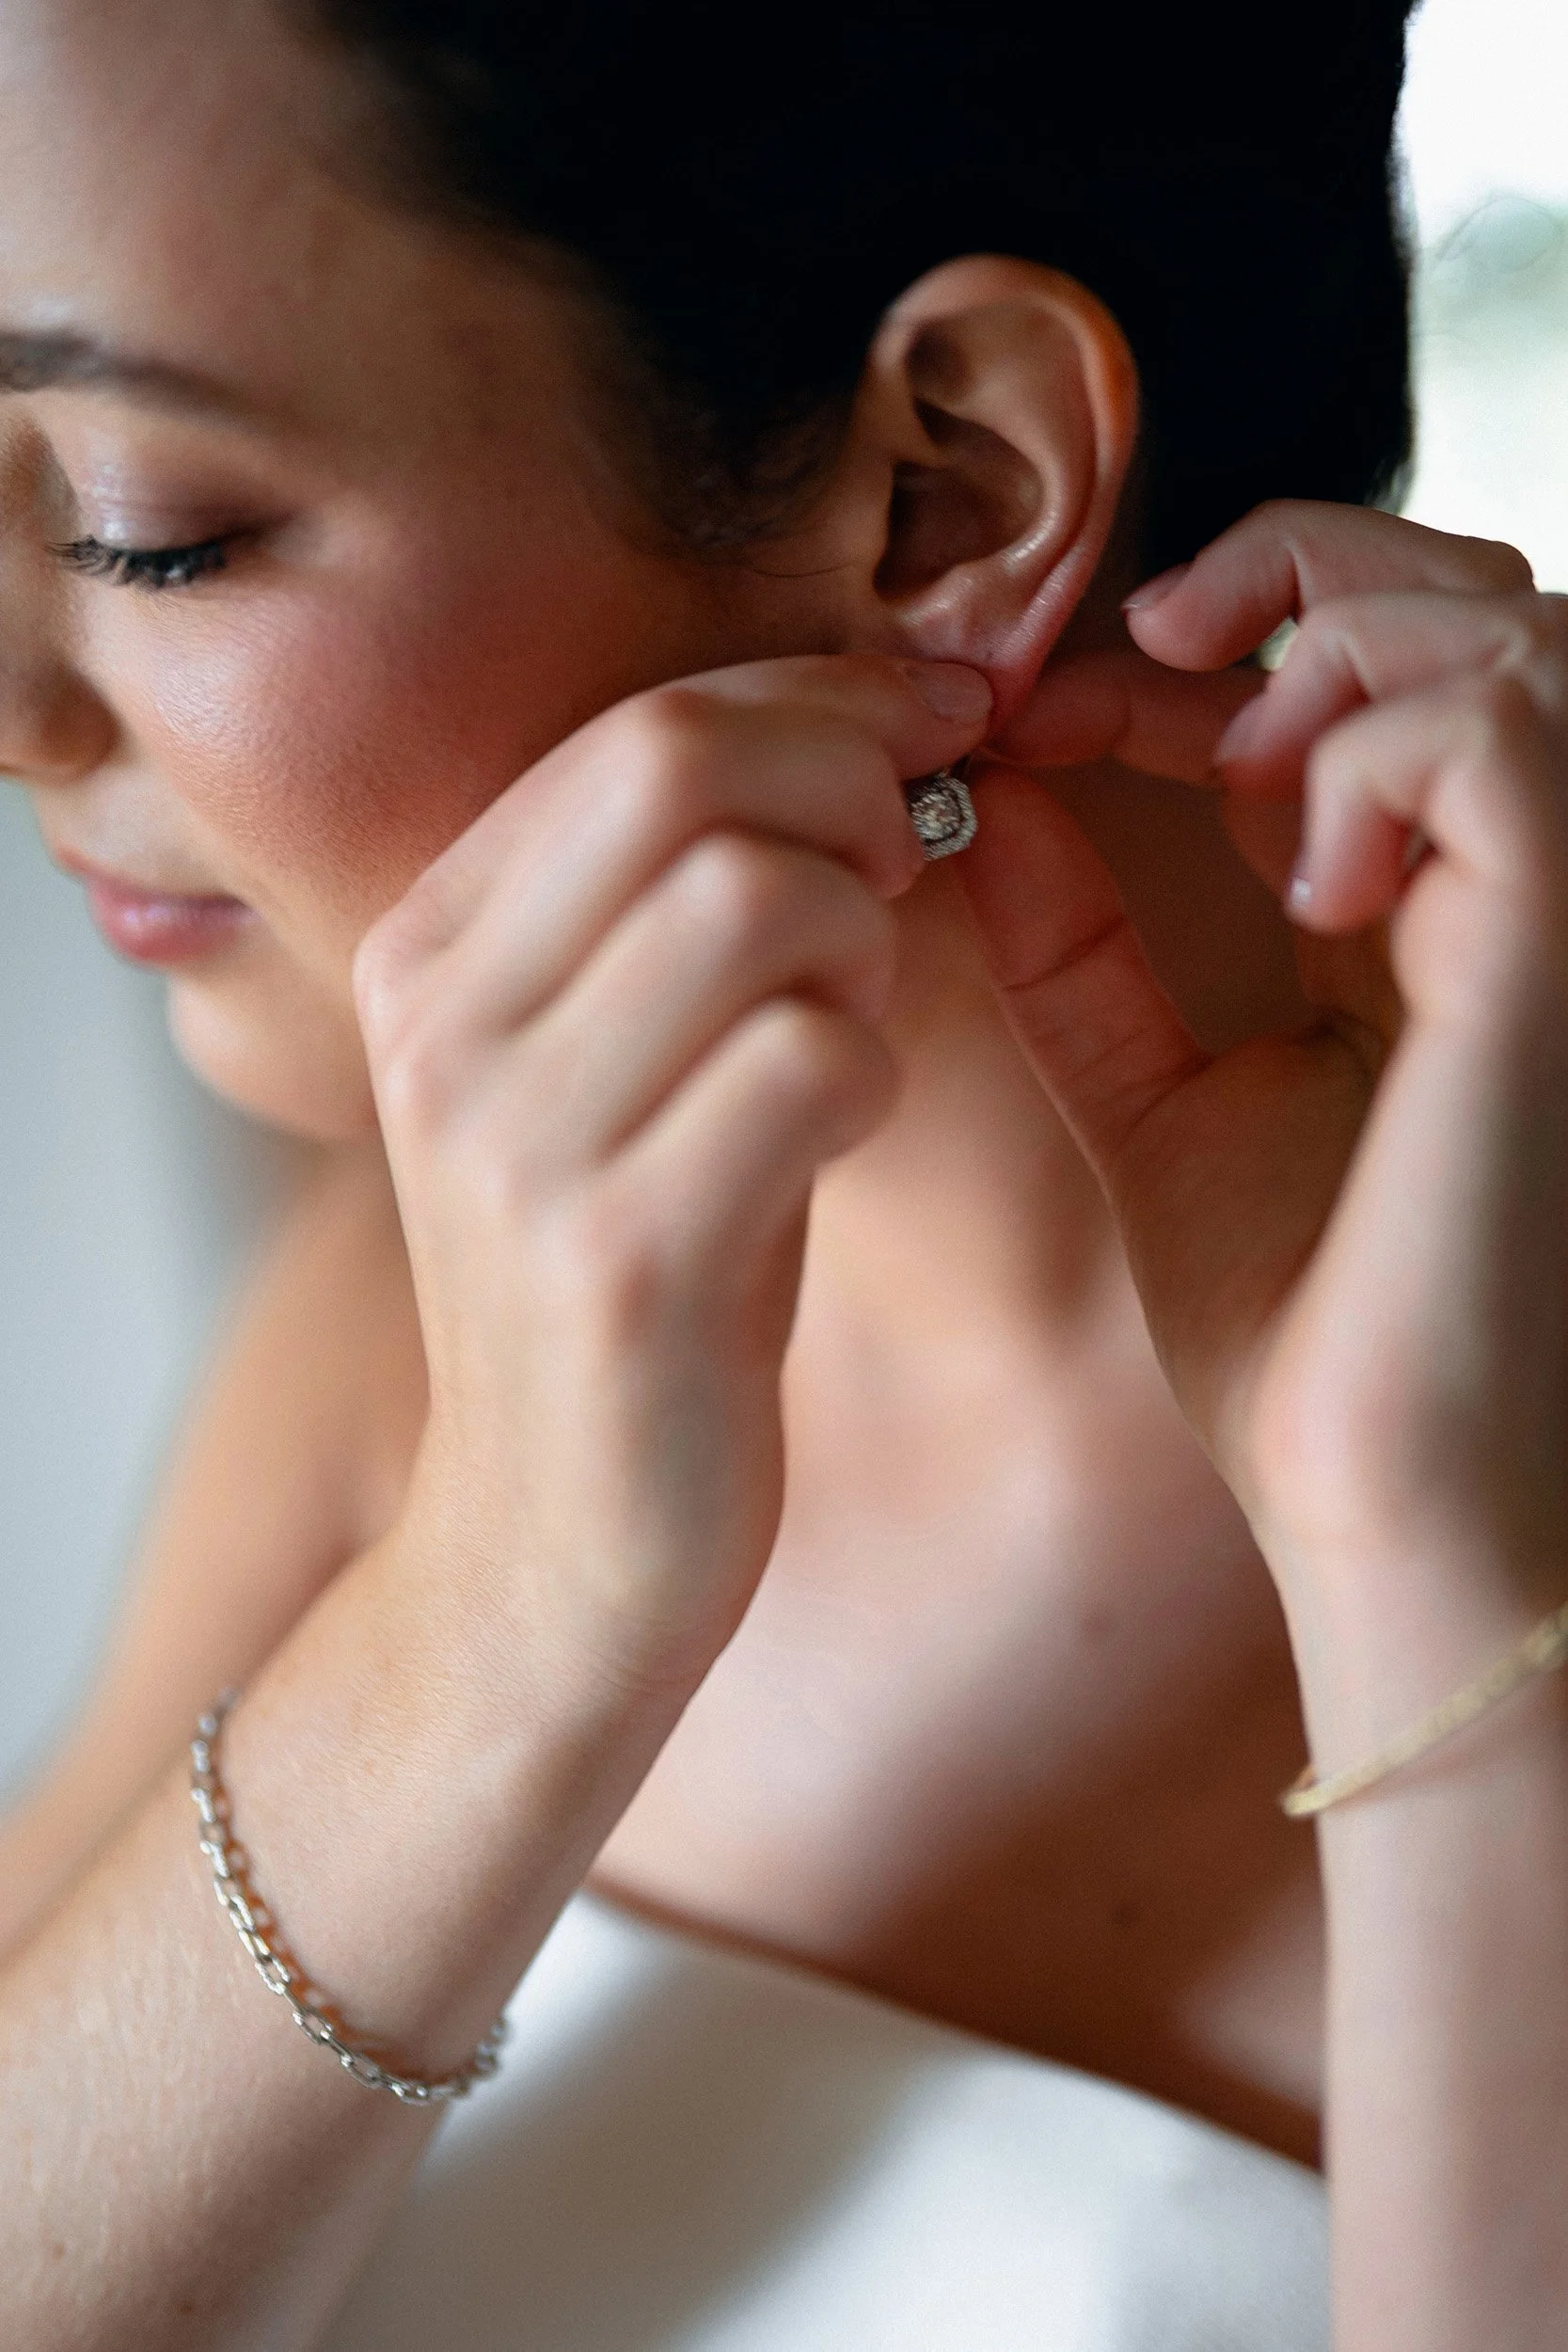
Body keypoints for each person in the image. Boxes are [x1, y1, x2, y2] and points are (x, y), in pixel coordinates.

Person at [2, 0, 1566, 2343]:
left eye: (148, 530)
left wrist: (1437, 1598)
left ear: (947, 492)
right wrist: (505, 1605)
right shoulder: (411, 1333)